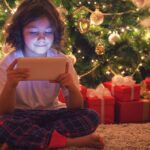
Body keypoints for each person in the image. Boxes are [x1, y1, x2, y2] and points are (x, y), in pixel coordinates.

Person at [0, 0, 104, 149]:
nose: (42, 38)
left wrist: (71, 87)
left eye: (48, 32)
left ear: (55, 32)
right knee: (5, 123)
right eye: (33, 32)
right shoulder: (9, 63)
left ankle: (25, 140)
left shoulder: (62, 61)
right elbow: (4, 111)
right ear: (20, 32)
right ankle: (70, 142)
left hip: (52, 114)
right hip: (19, 115)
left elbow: (76, 107)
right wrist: (10, 85)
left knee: (90, 117)